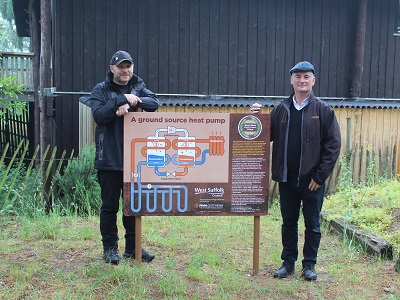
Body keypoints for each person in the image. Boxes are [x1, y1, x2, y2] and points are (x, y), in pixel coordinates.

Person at [250, 61, 341, 280]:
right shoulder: (281, 109)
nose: (302, 80)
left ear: (313, 81)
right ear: (291, 80)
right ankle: (288, 262)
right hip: (287, 178)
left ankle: (309, 265)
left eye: (306, 76)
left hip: (312, 181)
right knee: (288, 223)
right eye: (298, 76)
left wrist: (319, 176)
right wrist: (255, 117)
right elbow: (264, 136)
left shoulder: (323, 110)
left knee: (313, 225)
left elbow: (333, 145)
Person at [89, 50, 159, 265]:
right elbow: (99, 115)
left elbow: (154, 103)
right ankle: (110, 248)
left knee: (133, 206)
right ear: (112, 68)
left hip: (134, 161)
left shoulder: (138, 86)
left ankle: (133, 248)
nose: (125, 70)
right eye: (120, 66)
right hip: (109, 160)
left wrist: (130, 102)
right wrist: (119, 99)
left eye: (128, 66)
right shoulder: (100, 90)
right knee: (110, 207)